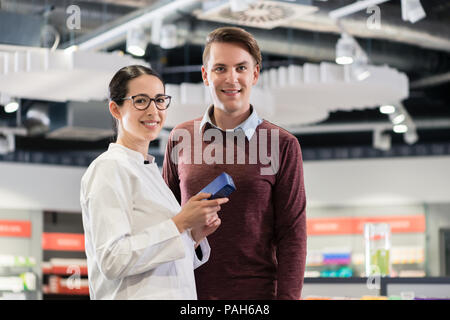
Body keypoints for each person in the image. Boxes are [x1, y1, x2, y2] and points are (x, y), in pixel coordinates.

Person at [162, 27, 307, 300]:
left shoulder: (282, 144)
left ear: (254, 74)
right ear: (205, 75)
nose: (232, 78)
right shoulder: (180, 137)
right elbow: (164, 220)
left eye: (241, 67)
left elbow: (292, 236)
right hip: (188, 293)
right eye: (220, 68)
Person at [80, 65, 228, 300]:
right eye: (140, 101)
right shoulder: (109, 168)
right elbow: (112, 259)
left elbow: (164, 269)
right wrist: (179, 224)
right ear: (115, 109)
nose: (153, 111)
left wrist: (192, 236)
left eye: (159, 100)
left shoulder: (150, 173)